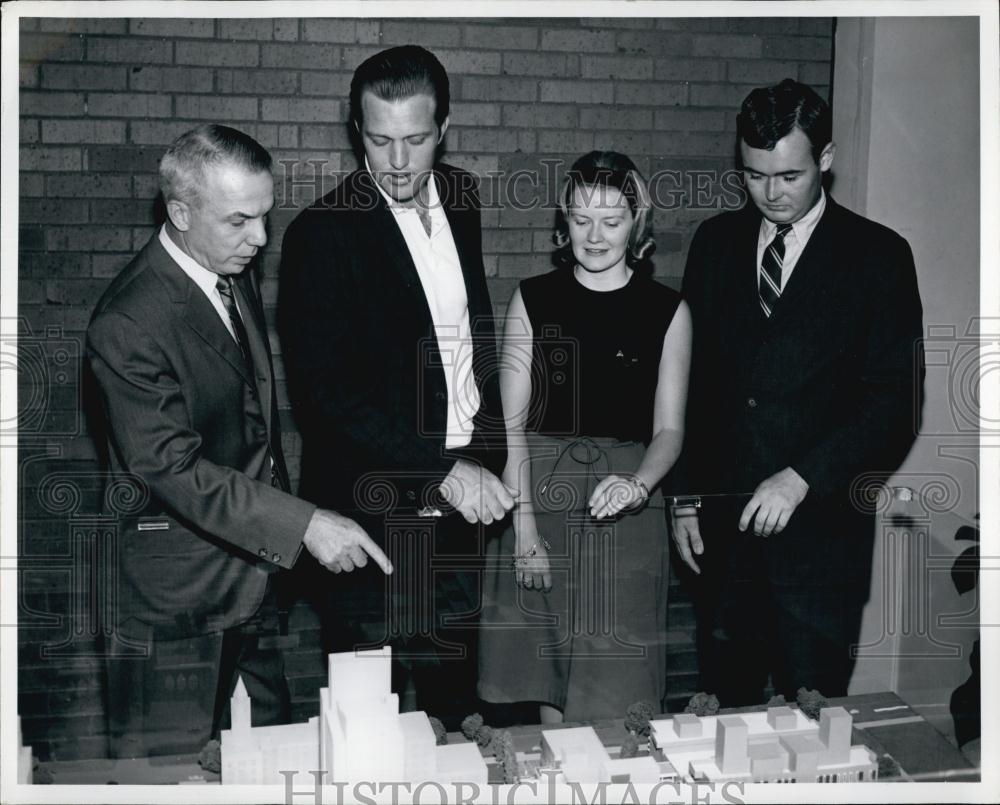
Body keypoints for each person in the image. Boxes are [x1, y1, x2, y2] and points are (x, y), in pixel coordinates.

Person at [86, 124, 391, 757]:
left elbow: (250, 425)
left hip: (249, 583)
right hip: (176, 605)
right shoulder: (128, 322)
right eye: (238, 221)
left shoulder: (226, 268)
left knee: (267, 760)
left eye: (263, 216)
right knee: (169, 779)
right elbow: (171, 469)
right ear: (180, 213)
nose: (259, 238)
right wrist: (303, 523)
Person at [278, 46, 510, 727]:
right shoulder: (320, 235)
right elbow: (326, 396)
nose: (399, 162)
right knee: (365, 720)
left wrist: (487, 445)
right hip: (369, 512)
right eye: (380, 140)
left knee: (455, 705)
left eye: (415, 139)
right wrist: (445, 469)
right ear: (357, 130)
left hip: (463, 502)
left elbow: (472, 328)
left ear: (444, 128)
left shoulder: (462, 195)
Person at [675, 79, 924, 706]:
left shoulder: (880, 258)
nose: (772, 193)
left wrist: (801, 477)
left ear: (827, 159)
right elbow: (689, 388)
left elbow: (895, 406)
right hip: (724, 545)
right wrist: (682, 498)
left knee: (814, 734)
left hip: (822, 550)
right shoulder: (714, 245)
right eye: (755, 176)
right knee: (721, 725)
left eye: (789, 175)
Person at [477, 151, 692, 723]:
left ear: (637, 225)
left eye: (613, 220)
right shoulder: (533, 298)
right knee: (548, 682)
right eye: (581, 218)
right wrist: (522, 529)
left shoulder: (668, 310)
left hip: (624, 513)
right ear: (564, 222)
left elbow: (670, 430)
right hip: (538, 500)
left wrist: (639, 485)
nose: (595, 235)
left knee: (616, 688)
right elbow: (511, 421)